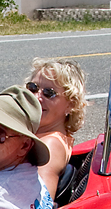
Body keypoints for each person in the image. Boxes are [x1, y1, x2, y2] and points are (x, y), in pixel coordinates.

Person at [25, 58, 88, 200]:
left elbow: (39, 204)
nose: (37, 97)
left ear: (70, 105)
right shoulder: (40, 135)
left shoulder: (50, 145)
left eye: (49, 93)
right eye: (33, 88)